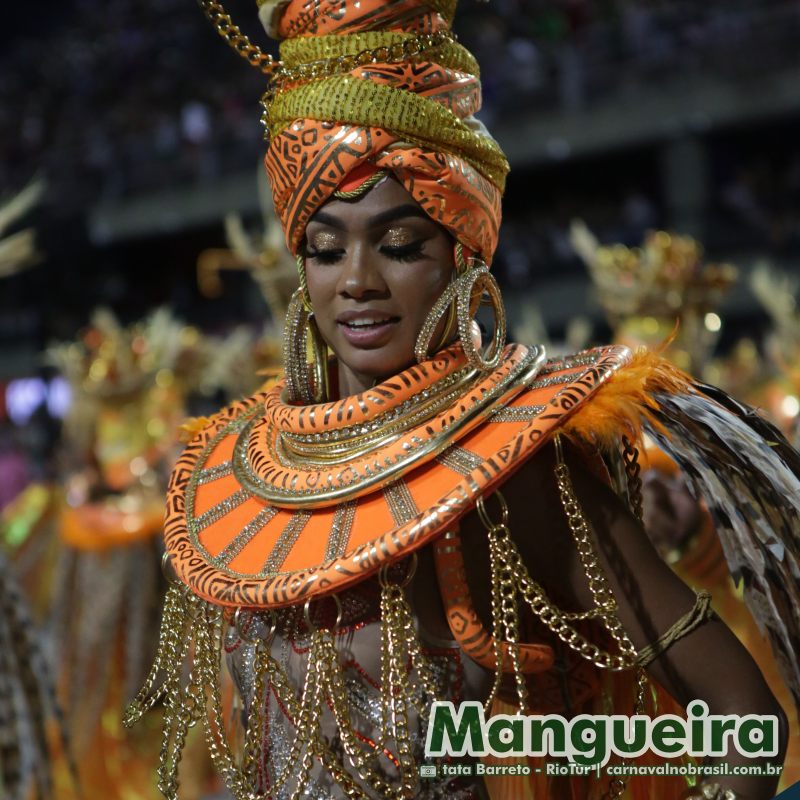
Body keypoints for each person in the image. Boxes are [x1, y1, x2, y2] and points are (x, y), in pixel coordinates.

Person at [127, 2, 800, 799]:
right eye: (326, 246)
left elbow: (739, 711)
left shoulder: (509, 476)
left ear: (459, 251)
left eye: (401, 244)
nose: (356, 282)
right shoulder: (237, 472)